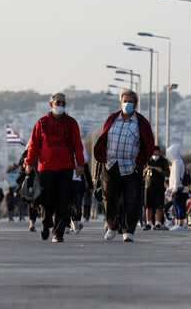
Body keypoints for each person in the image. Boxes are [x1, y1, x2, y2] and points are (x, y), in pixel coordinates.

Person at [93, 89, 154, 243]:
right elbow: (103, 139)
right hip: (112, 164)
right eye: (125, 101)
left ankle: (128, 230)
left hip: (131, 166)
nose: (127, 104)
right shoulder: (112, 119)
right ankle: (112, 226)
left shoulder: (141, 122)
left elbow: (148, 145)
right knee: (110, 197)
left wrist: (139, 163)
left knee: (132, 199)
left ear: (135, 104)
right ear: (120, 103)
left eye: (131, 102)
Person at [25, 93, 85, 243]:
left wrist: (80, 164)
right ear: (51, 104)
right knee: (46, 200)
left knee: (63, 201)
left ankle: (58, 233)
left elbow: (78, 144)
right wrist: (29, 163)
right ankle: (46, 224)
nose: (61, 105)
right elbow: (34, 144)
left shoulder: (72, 123)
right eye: (58, 102)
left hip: (66, 167)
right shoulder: (41, 122)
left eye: (64, 103)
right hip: (46, 167)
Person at [67, 143, 92, 234]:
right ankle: (67, 224)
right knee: (66, 202)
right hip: (65, 177)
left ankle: (76, 221)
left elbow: (85, 164)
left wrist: (90, 185)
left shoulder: (80, 143)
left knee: (77, 202)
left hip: (77, 179)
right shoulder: (63, 141)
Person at [143, 145, 170, 231]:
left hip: (159, 186)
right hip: (149, 186)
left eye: (156, 153)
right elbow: (142, 173)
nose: (154, 155)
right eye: (153, 153)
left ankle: (158, 223)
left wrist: (160, 171)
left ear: (159, 152)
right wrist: (147, 170)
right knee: (148, 206)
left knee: (159, 206)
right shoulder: (147, 160)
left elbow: (167, 174)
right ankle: (149, 223)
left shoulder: (164, 161)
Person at [167, 144, 186, 231]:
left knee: (178, 206)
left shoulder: (177, 162)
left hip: (177, 187)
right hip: (177, 187)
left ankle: (180, 224)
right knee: (176, 205)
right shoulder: (177, 161)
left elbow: (177, 176)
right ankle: (178, 223)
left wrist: (174, 189)